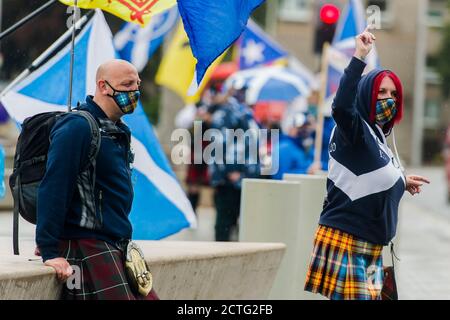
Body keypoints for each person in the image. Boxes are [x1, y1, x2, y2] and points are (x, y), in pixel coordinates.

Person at [304, 29, 430, 300]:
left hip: (370, 245)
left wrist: (402, 182)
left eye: (394, 94)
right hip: (348, 240)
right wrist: (359, 57)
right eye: (382, 92)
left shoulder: (376, 136)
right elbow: (340, 107)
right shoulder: (355, 129)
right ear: (366, 94)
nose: (389, 99)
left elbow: (369, 176)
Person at [35, 59, 158, 300]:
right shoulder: (78, 127)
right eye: (127, 84)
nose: (134, 91)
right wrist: (50, 250)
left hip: (115, 243)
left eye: (137, 84)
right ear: (103, 86)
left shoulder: (116, 130)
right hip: (85, 243)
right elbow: (54, 187)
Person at [208, 86, 260, 241]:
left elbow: (252, 144)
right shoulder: (224, 114)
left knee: (241, 224)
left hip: (243, 177)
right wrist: (229, 171)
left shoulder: (247, 114)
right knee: (225, 224)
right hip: (228, 180)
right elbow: (218, 145)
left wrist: (249, 172)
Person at [272, 112, 316, 180]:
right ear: (290, 128)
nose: (304, 130)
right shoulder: (284, 148)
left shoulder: (303, 146)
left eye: (306, 127)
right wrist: (306, 172)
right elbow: (280, 176)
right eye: (300, 127)